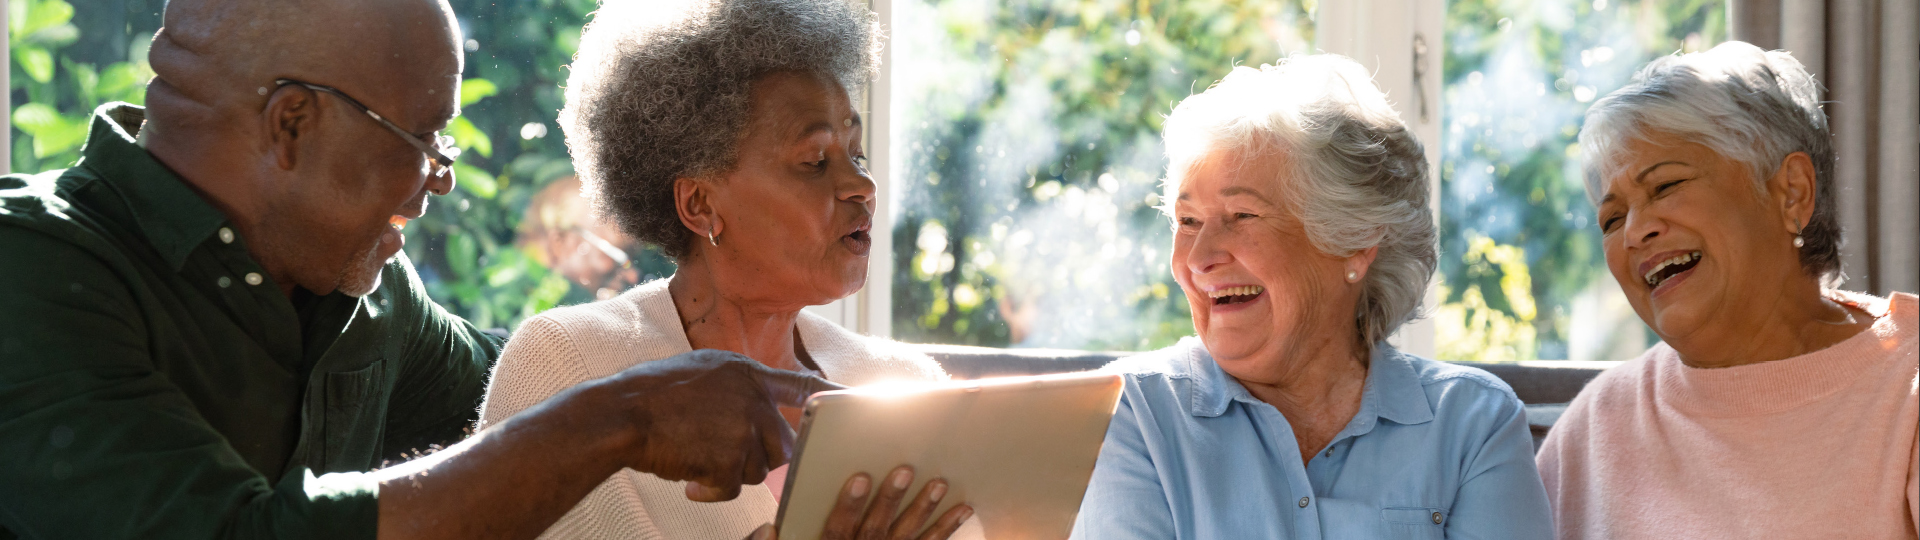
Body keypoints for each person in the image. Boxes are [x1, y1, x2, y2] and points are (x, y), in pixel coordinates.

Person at [0, 0, 866, 538]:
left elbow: (533, 393)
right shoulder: (29, 272)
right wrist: (632, 415)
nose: (441, 180)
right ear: (292, 123)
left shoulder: (369, 296)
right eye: (424, 139)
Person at [475, 0, 972, 539]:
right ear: (700, 206)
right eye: (815, 161)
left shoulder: (906, 387)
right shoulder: (565, 366)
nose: (862, 186)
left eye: (858, 155)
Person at [1070, 54, 1554, 539]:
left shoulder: (1472, 424)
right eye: (1188, 222)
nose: (1198, 258)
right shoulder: (1125, 411)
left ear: (1355, 240)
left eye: (1242, 216)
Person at [1537, 41, 1919, 539]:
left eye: (1666, 186)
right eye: (1612, 219)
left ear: (1792, 192)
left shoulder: (1905, 389)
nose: (1634, 233)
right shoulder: (1596, 426)